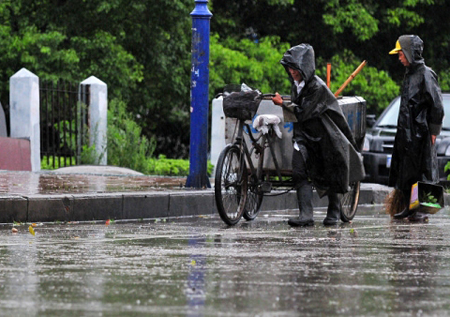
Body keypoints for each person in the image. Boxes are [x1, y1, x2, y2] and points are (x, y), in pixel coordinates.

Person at [272, 44, 364, 227]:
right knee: (299, 172)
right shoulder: (296, 85)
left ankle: (334, 211)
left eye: (295, 68)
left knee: (331, 174)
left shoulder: (317, 87)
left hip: (325, 137)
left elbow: (304, 112)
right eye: (290, 68)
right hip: (304, 136)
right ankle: (306, 214)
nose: (292, 72)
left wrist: (282, 104)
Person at [388, 35, 444, 221]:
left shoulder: (426, 74)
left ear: (409, 53)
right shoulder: (410, 74)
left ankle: (422, 209)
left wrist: (434, 131)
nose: (399, 58)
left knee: (423, 171)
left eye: (401, 54)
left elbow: (436, 105)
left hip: (421, 133)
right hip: (407, 133)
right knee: (407, 171)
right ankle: (410, 208)